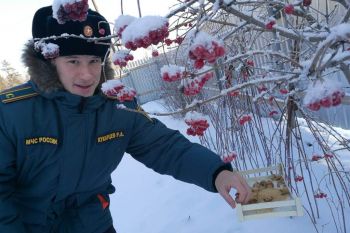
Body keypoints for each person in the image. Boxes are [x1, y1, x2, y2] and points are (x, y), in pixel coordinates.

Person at [0, 5, 251, 233]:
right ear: (49, 61)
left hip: (95, 226)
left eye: (94, 61)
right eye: (73, 61)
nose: (87, 74)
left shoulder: (117, 106)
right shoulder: (11, 112)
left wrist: (216, 172)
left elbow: (162, 146)